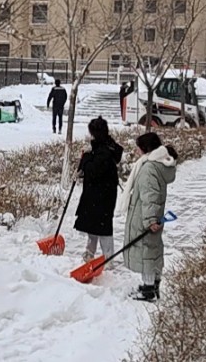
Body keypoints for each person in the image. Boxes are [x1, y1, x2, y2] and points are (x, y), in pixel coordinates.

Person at [119, 132, 177, 302]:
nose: (136, 151)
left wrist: (150, 220)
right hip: (153, 215)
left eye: (138, 147)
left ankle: (148, 289)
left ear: (145, 148)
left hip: (145, 217)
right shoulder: (159, 164)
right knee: (153, 249)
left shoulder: (148, 168)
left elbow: (149, 196)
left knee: (146, 252)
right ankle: (155, 284)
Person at [74, 117, 124, 260]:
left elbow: (93, 170)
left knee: (103, 227)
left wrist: (86, 158)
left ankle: (108, 257)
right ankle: (90, 251)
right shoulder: (104, 146)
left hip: (102, 194)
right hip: (98, 193)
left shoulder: (104, 151)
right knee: (93, 224)